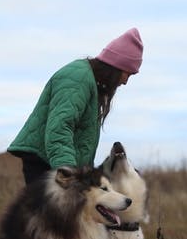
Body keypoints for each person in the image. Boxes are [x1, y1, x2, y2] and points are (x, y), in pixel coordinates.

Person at [8, 28, 144, 185]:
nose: (126, 81)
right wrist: (69, 173)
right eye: (128, 73)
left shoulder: (91, 82)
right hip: (46, 164)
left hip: (54, 162)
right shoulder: (78, 79)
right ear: (116, 66)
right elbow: (59, 128)